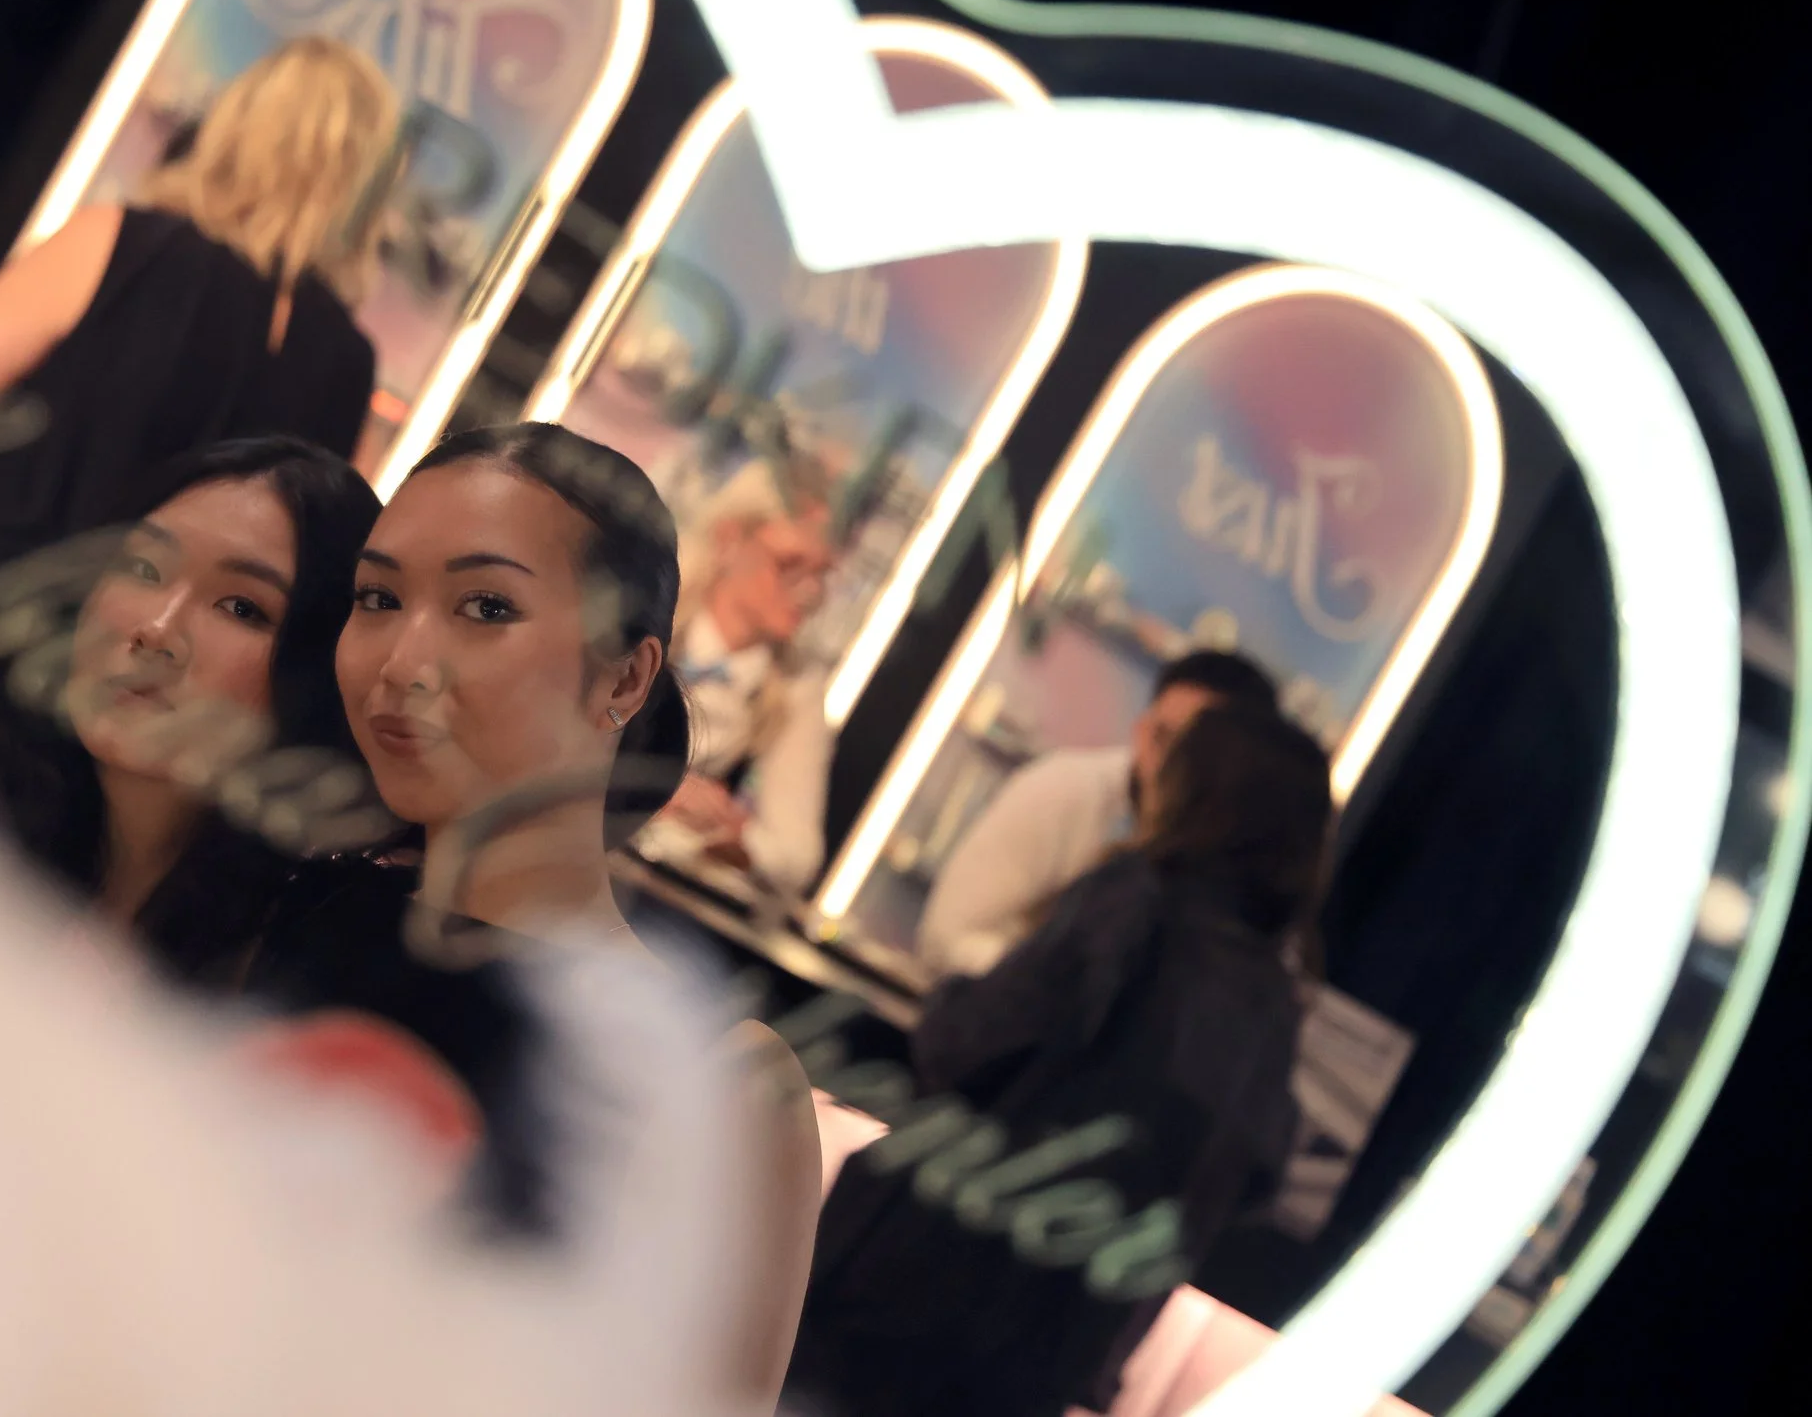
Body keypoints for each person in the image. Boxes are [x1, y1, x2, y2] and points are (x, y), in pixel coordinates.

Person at [240, 422, 823, 1409]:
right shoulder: (266, 905)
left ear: (626, 678)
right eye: (377, 598)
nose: (401, 659)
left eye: (484, 607)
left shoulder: (721, 1083)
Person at [789, 701, 1327, 1417]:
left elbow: (967, 1041)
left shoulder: (1136, 901)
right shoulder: (1273, 1003)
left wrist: (955, 994)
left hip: (919, 1282)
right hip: (1051, 1350)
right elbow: (1251, 1181)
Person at [0, 36, 399, 574]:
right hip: (142, 653)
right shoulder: (351, 367)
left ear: (231, 129)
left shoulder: (111, 244)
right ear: (368, 190)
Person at [0, 436, 380, 988]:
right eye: (144, 568)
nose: (157, 630)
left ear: (322, 669)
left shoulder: (287, 949)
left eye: (242, 607)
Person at [915, 647, 1279, 979]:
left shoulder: (1242, 862)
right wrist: (1049, 993)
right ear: (1141, 729)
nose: (1166, 764)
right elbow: (947, 934)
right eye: (1161, 737)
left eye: (1194, 752)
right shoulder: (1066, 789)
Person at [641, 455, 842, 893]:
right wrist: (648, 791)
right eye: (790, 565)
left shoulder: (798, 687)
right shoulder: (644, 605)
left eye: (823, 574)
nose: (809, 592)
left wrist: (735, 837)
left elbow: (797, 856)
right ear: (729, 539)